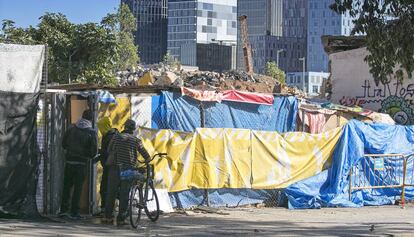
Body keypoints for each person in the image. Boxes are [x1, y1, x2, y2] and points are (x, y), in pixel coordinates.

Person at [103, 119, 150, 226]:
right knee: (125, 194)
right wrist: (147, 160)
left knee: (111, 192)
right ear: (133, 129)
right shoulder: (136, 140)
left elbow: (109, 150)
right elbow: (145, 155)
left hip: (115, 168)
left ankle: (108, 217)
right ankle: (121, 219)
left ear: (125, 127)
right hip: (128, 169)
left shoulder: (116, 137)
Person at [60, 109, 98, 220]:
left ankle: (63, 210)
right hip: (81, 164)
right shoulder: (91, 132)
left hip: (69, 162)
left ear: (82, 116)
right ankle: (74, 212)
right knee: (78, 188)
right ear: (91, 119)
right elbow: (93, 151)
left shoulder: (71, 128)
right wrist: (88, 156)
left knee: (66, 186)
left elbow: (64, 144)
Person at [97, 117, 118, 215]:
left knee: (106, 188)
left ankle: (106, 210)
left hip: (110, 166)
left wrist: (100, 152)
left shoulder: (110, 137)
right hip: (108, 165)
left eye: (100, 127)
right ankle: (106, 209)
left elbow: (109, 152)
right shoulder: (109, 135)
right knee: (107, 187)